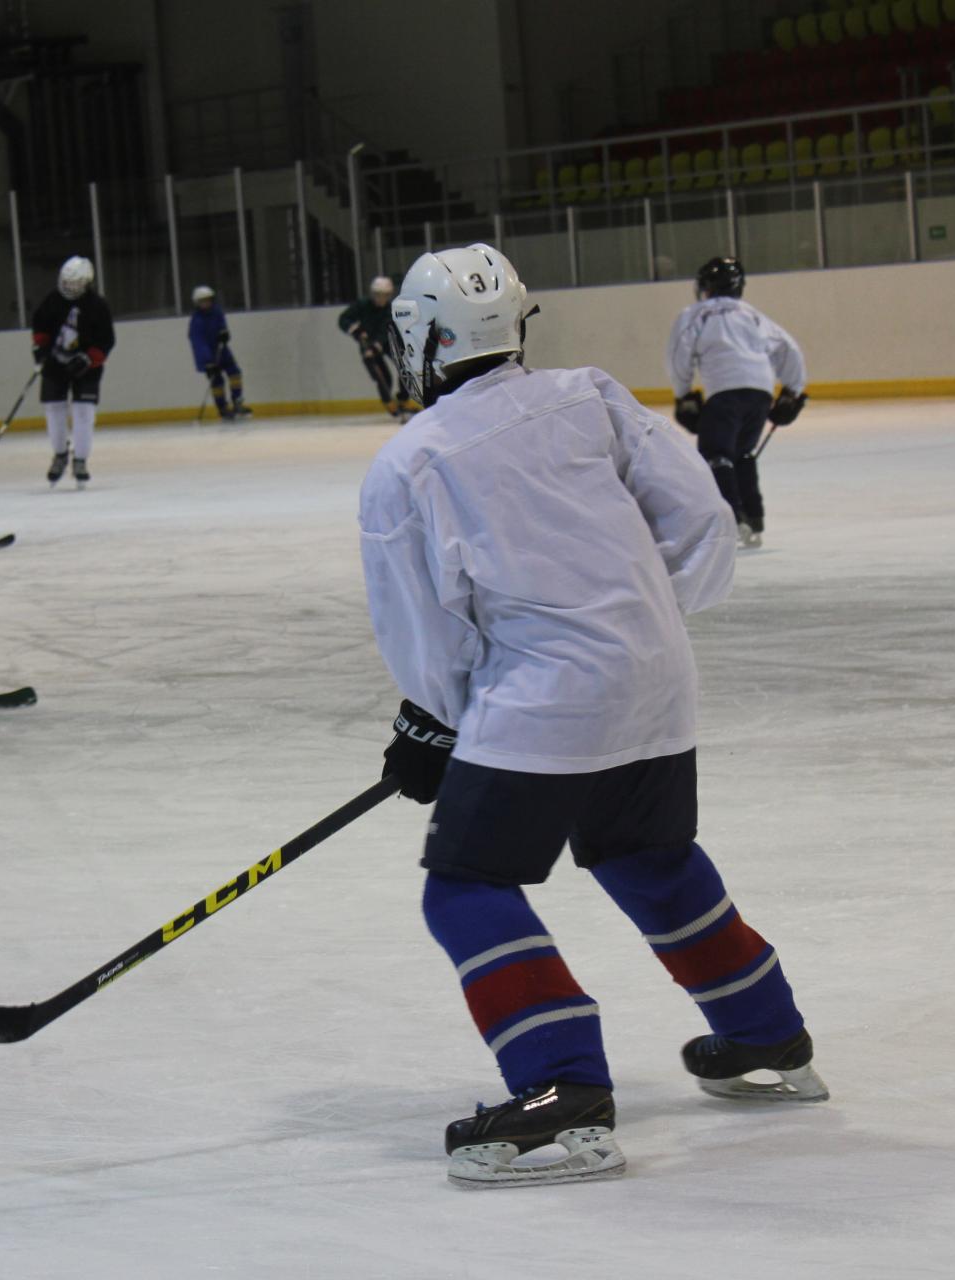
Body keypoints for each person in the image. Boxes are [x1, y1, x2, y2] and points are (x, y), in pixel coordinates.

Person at [360, 243, 825, 1190]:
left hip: (543, 701)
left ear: (423, 339)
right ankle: (764, 1031)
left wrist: (444, 722)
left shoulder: (410, 460)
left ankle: (562, 1086)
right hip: (656, 678)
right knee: (647, 857)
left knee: (465, 885)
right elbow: (702, 519)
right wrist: (632, 627)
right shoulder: (592, 395)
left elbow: (425, 632)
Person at [666, 257, 808, 550]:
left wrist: (684, 394)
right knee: (743, 453)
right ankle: (754, 517)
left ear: (706, 286)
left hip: (724, 390)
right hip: (760, 391)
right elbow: (788, 349)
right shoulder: (753, 314)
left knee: (716, 453)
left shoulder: (695, 314)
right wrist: (790, 392)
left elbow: (679, 352)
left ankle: (733, 517)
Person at [29, 255, 114, 488]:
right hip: (55, 364)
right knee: (53, 408)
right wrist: (40, 350)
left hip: (87, 368)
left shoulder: (98, 306)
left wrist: (89, 359)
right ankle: (59, 454)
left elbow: (106, 340)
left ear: (86, 282)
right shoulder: (52, 300)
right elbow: (40, 327)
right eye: (66, 282)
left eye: (74, 283)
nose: (68, 287)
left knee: (83, 411)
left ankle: (80, 460)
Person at [339, 275, 416, 419]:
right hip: (366, 343)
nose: (380, 298)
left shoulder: (390, 309)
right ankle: (388, 402)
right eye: (377, 295)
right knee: (383, 376)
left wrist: (376, 346)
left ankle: (403, 400)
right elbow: (343, 319)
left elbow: (385, 330)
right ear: (372, 294)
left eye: (384, 295)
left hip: (387, 342)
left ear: (389, 295)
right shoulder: (362, 305)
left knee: (405, 366)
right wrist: (355, 331)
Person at [187, 284, 249, 422]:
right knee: (217, 382)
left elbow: (222, 325)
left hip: (222, 350)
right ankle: (222, 407)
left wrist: (224, 332)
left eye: (208, 300)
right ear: (197, 303)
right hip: (208, 356)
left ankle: (237, 400)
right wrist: (207, 361)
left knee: (235, 372)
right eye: (203, 301)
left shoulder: (217, 311)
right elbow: (199, 343)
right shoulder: (196, 322)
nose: (206, 303)